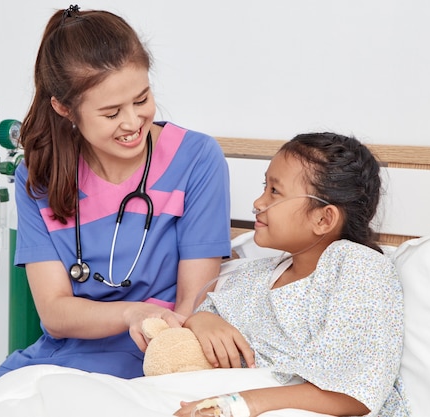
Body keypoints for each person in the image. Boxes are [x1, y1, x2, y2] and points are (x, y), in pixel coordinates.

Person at [0, 5, 230, 408]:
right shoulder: (38, 175)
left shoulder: (197, 158)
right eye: (111, 112)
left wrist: (150, 327)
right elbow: (56, 313)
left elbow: (194, 301)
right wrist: (129, 313)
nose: (133, 122)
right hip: (60, 355)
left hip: (150, 357)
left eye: (142, 99)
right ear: (65, 109)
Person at [175, 133, 410, 417]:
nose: (259, 202)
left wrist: (235, 405)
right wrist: (202, 319)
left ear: (323, 219)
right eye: (265, 186)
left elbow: (354, 393)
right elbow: (208, 314)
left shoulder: (361, 268)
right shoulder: (256, 275)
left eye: (275, 191)